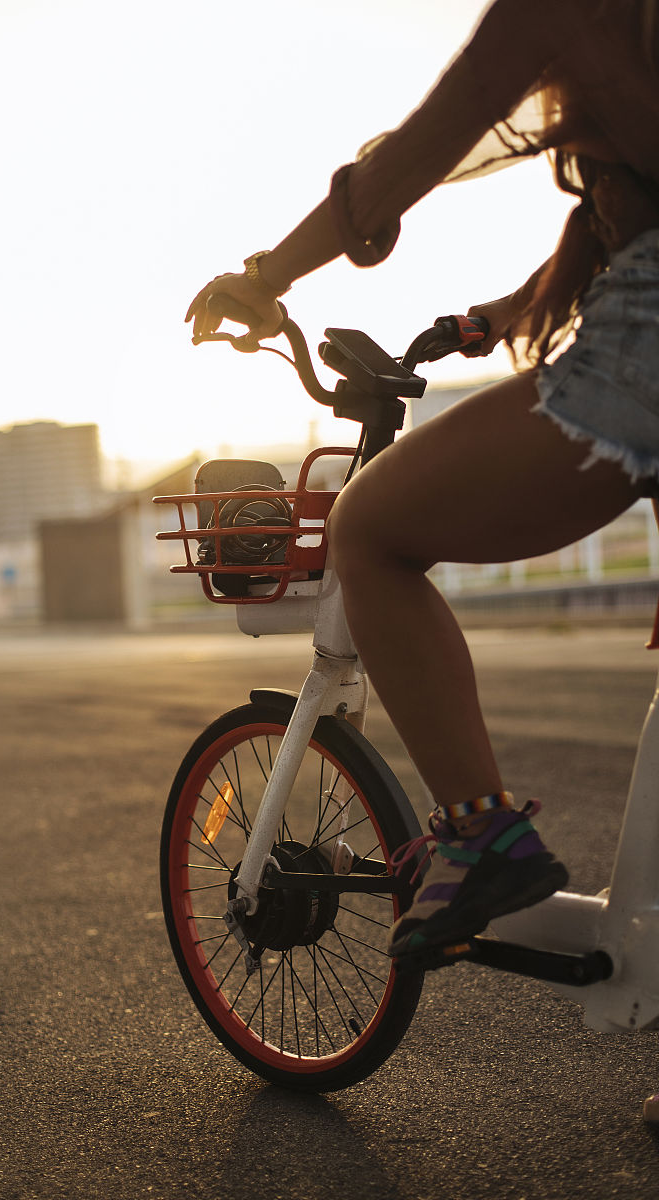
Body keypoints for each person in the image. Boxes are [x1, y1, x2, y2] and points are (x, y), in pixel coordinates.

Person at [186, 0, 659, 962]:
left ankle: (482, 834)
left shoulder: (573, 11)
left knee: (369, 527)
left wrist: (267, 276)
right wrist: (503, 311)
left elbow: (402, 167)